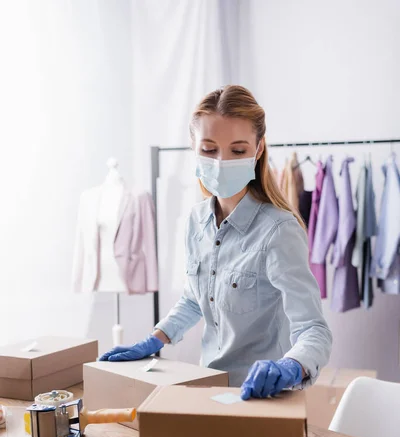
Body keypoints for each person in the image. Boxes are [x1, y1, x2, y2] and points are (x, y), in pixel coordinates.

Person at [100, 85, 332, 399]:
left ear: (258, 149)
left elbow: (313, 329)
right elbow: (196, 298)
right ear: (193, 147)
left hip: (263, 396)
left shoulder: (279, 230)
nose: (222, 162)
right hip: (207, 386)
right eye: (209, 150)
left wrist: (291, 366)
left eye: (237, 150)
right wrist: (155, 339)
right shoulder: (196, 222)